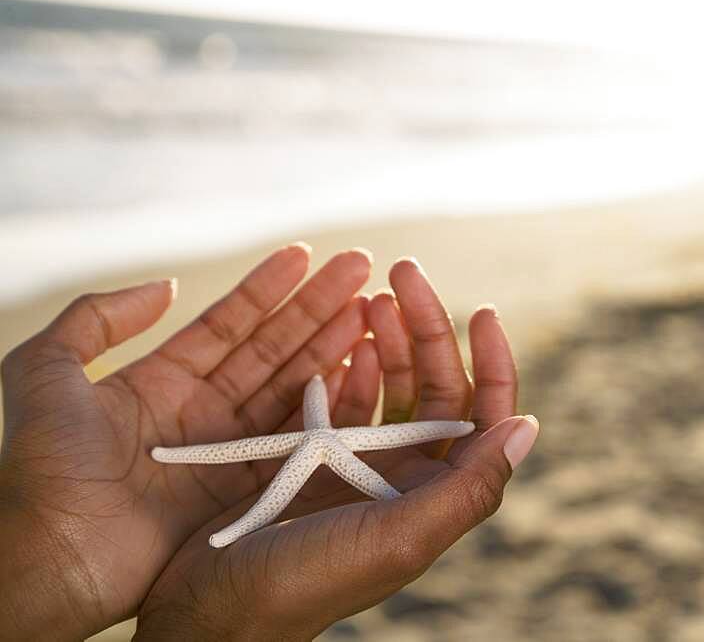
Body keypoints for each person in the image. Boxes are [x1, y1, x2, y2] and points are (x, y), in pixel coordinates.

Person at [0, 245, 539, 640]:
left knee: (406, 440)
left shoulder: (318, 424)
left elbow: (356, 424)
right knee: (279, 490)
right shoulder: (322, 428)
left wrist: (49, 566)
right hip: (319, 440)